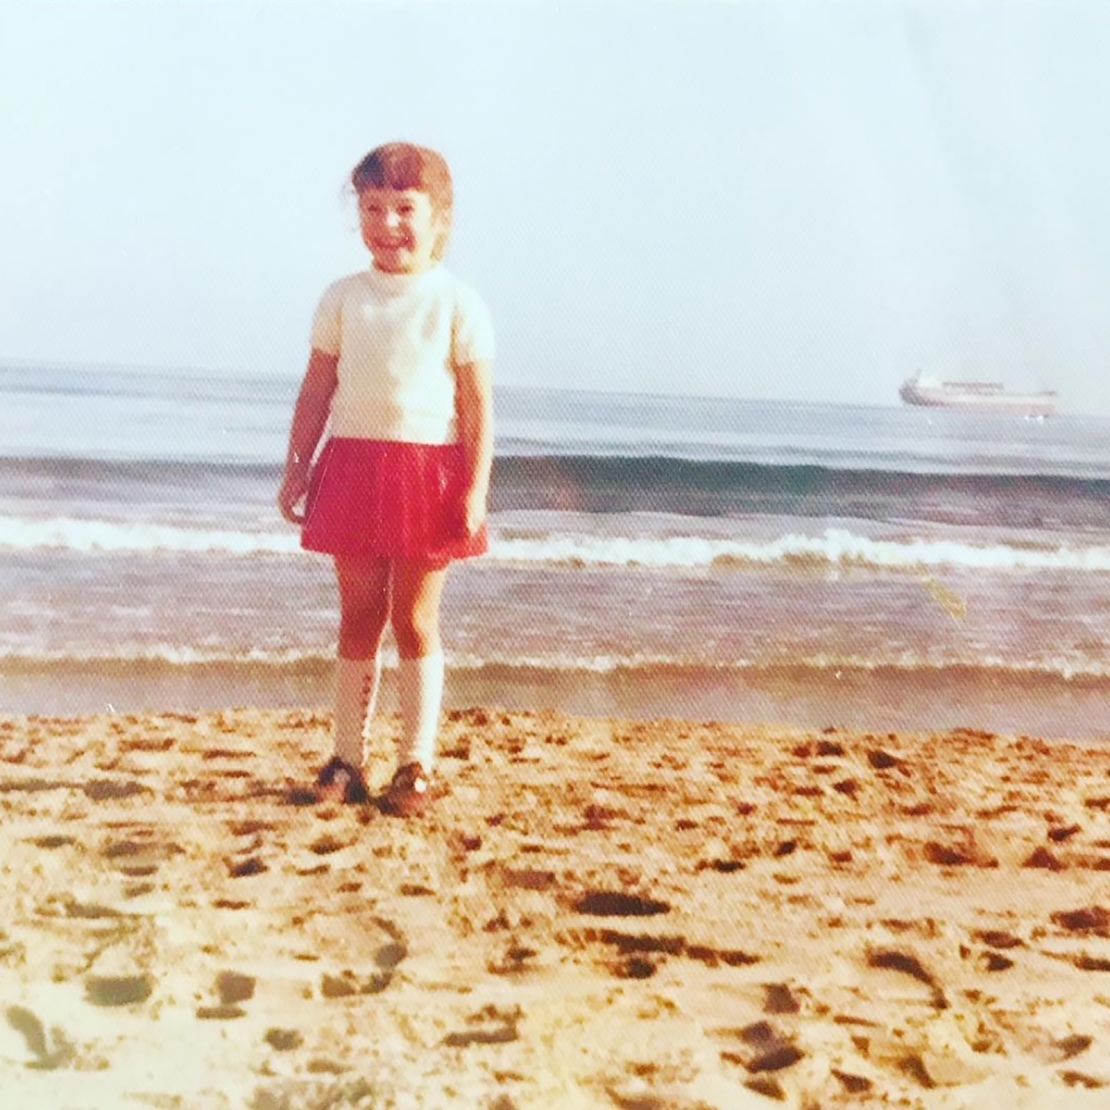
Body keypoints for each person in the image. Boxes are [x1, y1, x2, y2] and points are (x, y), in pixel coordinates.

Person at [278, 142, 495, 816]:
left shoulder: (458, 303)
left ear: (440, 219)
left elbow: (477, 404)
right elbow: (317, 390)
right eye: (373, 208)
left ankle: (416, 765)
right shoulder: (343, 299)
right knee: (359, 616)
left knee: (415, 620)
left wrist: (476, 487)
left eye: (405, 208)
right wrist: (297, 466)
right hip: (353, 465)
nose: (388, 223)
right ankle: (348, 758)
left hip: (430, 471)